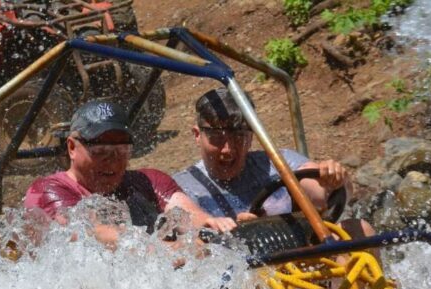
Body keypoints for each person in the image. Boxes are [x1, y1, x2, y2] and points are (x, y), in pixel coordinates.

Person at [24, 100, 238, 247]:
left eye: (121, 151)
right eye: (100, 151)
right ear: (72, 147)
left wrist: (220, 227)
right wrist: (185, 251)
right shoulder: (47, 192)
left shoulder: (148, 181)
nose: (112, 161)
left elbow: (187, 214)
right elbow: (99, 238)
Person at [173, 88, 355, 227]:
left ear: (252, 136)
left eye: (238, 136)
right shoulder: (181, 188)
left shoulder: (278, 163)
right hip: (234, 270)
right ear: (197, 135)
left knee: (359, 228)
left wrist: (333, 179)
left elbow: (320, 195)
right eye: (216, 138)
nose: (227, 149)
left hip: (297, 262)